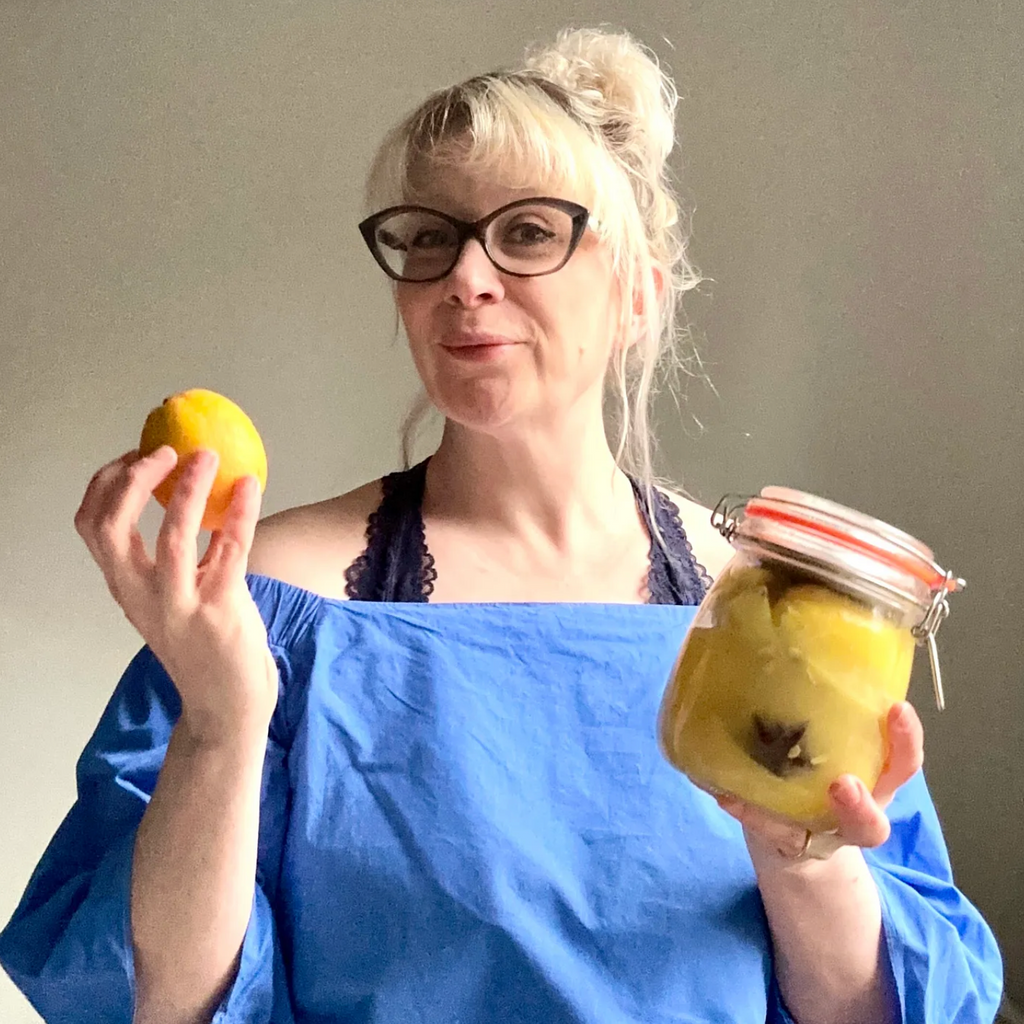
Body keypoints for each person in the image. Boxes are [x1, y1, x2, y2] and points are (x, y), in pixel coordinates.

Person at [0, 26, 1003, 1024]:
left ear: (640, 296)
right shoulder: (267, 602)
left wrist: (800, 860)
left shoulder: (780, 610)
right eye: (429, 236)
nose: (463, 278)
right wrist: (221, 723)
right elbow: (155, 1005)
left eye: (528, 231)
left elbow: (883, 1010)